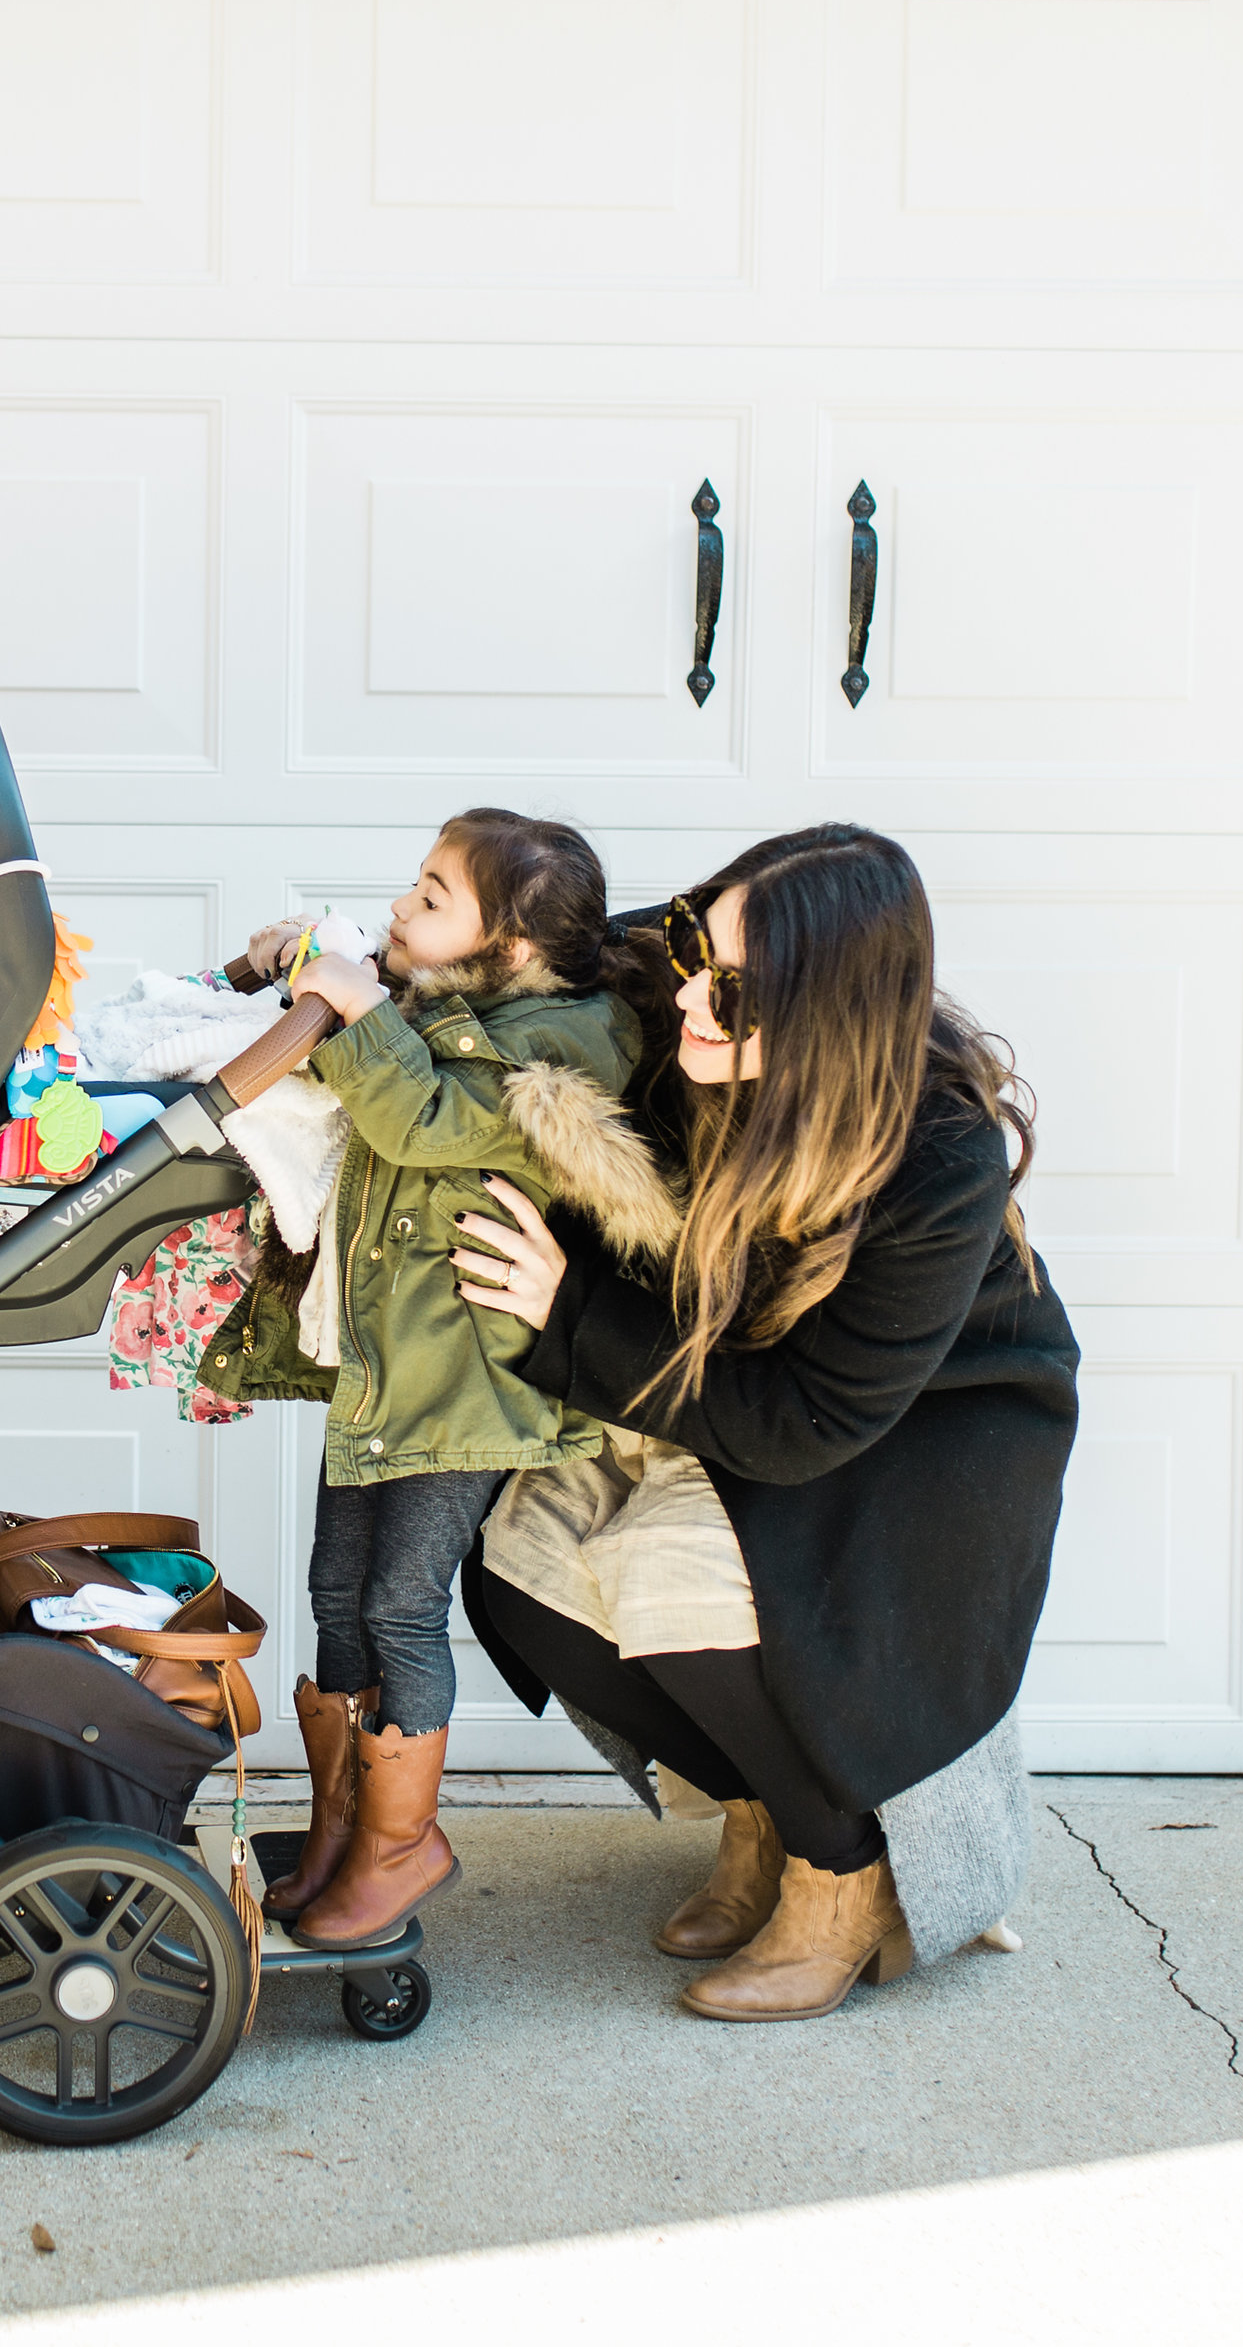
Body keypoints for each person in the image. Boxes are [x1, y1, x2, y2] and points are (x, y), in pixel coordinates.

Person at [450, 823, 1079, 2023]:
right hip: (723, 1382)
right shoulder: (669, 989)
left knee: (667, 1585)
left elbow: (804, 1424)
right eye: (695, 937)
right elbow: (487, 944)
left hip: (921, 1441)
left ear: (829, 1016)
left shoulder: (938, 1156)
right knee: (521, 1585)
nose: (689, 986)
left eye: (733, 984)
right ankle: (759, 1808)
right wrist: (320, 975)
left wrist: (569, 1314)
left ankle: (840, 1878)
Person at [201, 812, 679, 1949]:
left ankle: (402, 1844)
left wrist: (363, 1005)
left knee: (399, 1606)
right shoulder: (453, 1001)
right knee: (332, 1590)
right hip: (390, 1372)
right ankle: (340, 1826)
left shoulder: (557, 1054)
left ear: (506, 948)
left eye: (431, 896)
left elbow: (418, 1117)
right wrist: (305, 966)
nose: (403, 909)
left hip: (474, 1387)